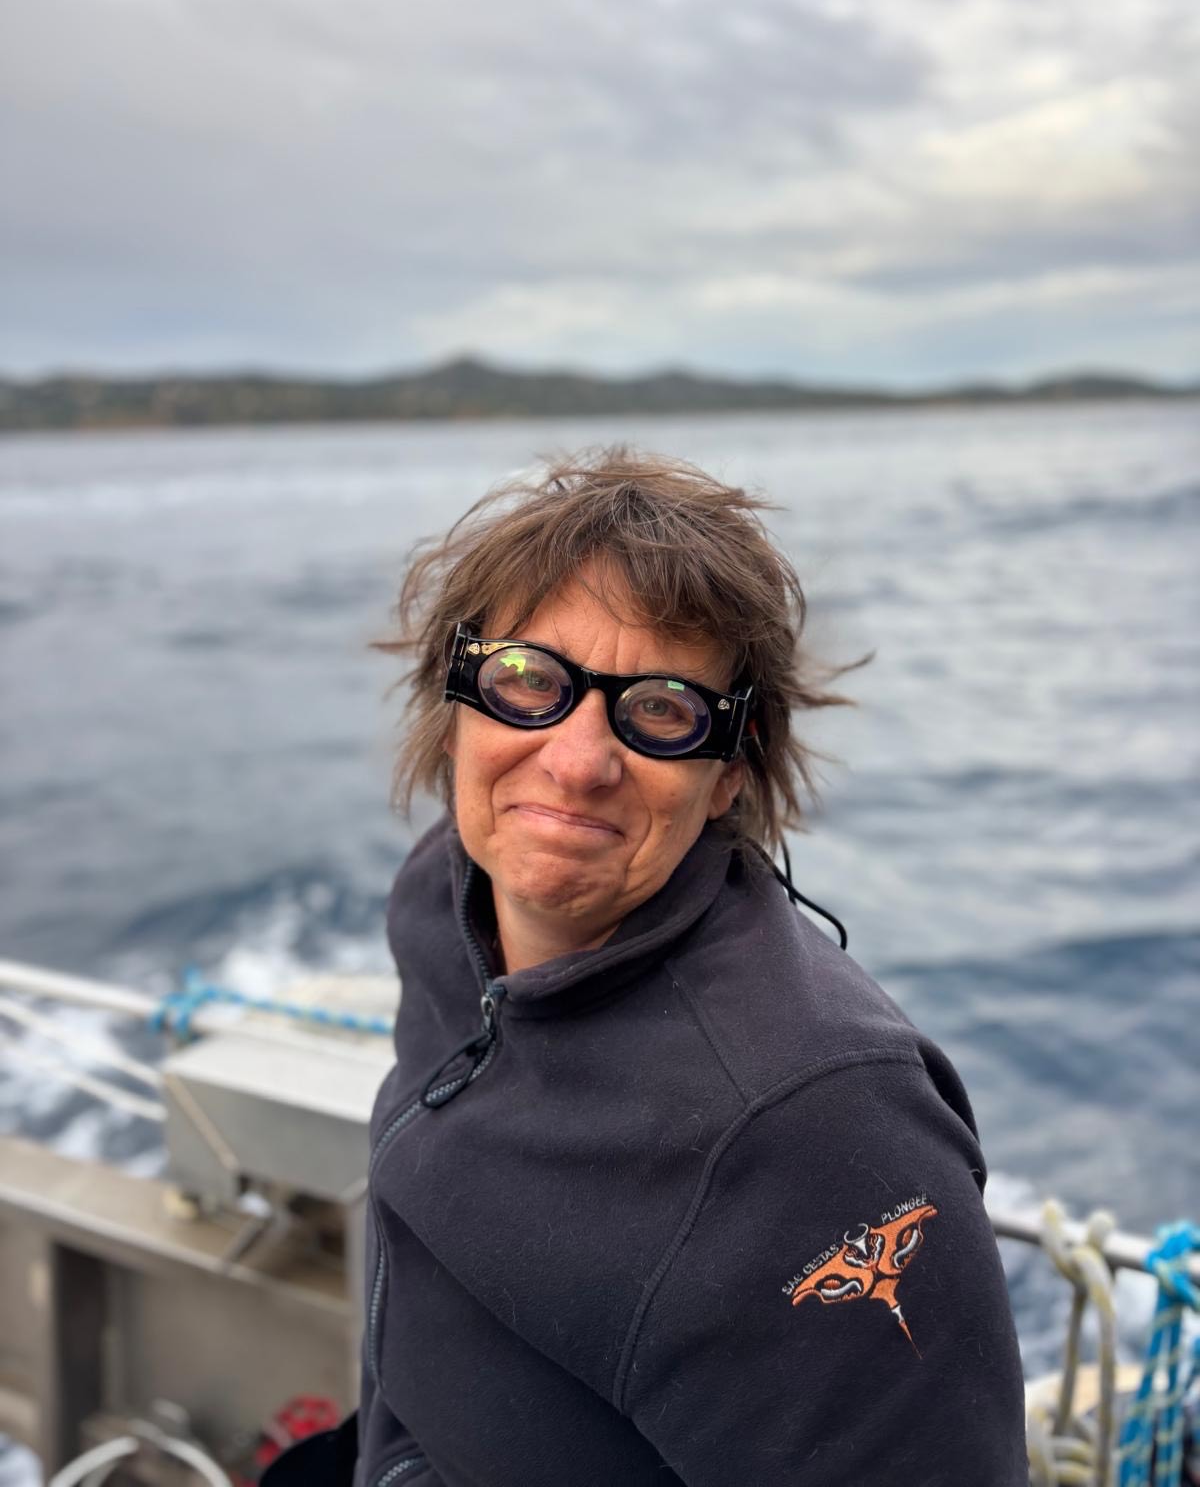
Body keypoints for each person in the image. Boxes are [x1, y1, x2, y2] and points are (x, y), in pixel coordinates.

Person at [273, 447, 1027, 1486]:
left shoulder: (811, 1129)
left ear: (728, 775)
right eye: (528, 680)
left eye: (662, 708)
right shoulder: (446, 901)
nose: (578, 760)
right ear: (456, 705)